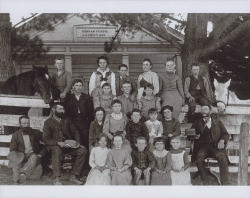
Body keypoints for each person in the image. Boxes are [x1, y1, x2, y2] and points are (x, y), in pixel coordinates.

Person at [43, 102, 87, 185]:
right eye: (59, 109)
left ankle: (73, 176)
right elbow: (46, 139)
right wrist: (58, 143)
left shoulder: (66, 119)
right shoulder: (48, 122)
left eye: (63, 109)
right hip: (55, 147)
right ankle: (57, 178)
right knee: (57, 150)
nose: (62, 111)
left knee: (82, 151)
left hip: (68, 146)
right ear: (53, 109)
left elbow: (75, 132)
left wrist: (78, 143)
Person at [191, 105, 230, 185]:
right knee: (199, 158)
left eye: (205, 109)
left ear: (210, 111)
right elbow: (190, 134)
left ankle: (225, 183)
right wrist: (194, 136)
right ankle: (205, 181)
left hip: (215, 146)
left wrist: (222, 140)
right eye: (202, 109)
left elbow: (225, 134)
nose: (203, 111)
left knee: (222, 158)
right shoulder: (197, 122)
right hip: (202, 147)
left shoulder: (217, 121)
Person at [8, 115, 45, 184]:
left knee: (34, 157)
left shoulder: (36, 132)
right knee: (16, 163)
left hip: (33, 155)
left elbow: (46, 141)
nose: (26, 125)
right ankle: (17, 175)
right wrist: (17, 158)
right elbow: (12, 149)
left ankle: (22, 174)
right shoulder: (15, 135)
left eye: (28, 123)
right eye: (24, 123)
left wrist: (40, 154)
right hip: (21, 155)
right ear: (19, 124)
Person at [65, 79, 93, 149]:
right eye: (76, 85)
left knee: (84, 139)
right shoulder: (69, 98)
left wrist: (88, 123)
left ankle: (85, 158)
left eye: (80, 85)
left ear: (82, 87)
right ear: (73, 87)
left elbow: (91, 112)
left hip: (84, 122)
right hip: (72, 121)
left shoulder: (86, 97)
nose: (78, 87)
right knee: (73, 139)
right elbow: (66, 112)